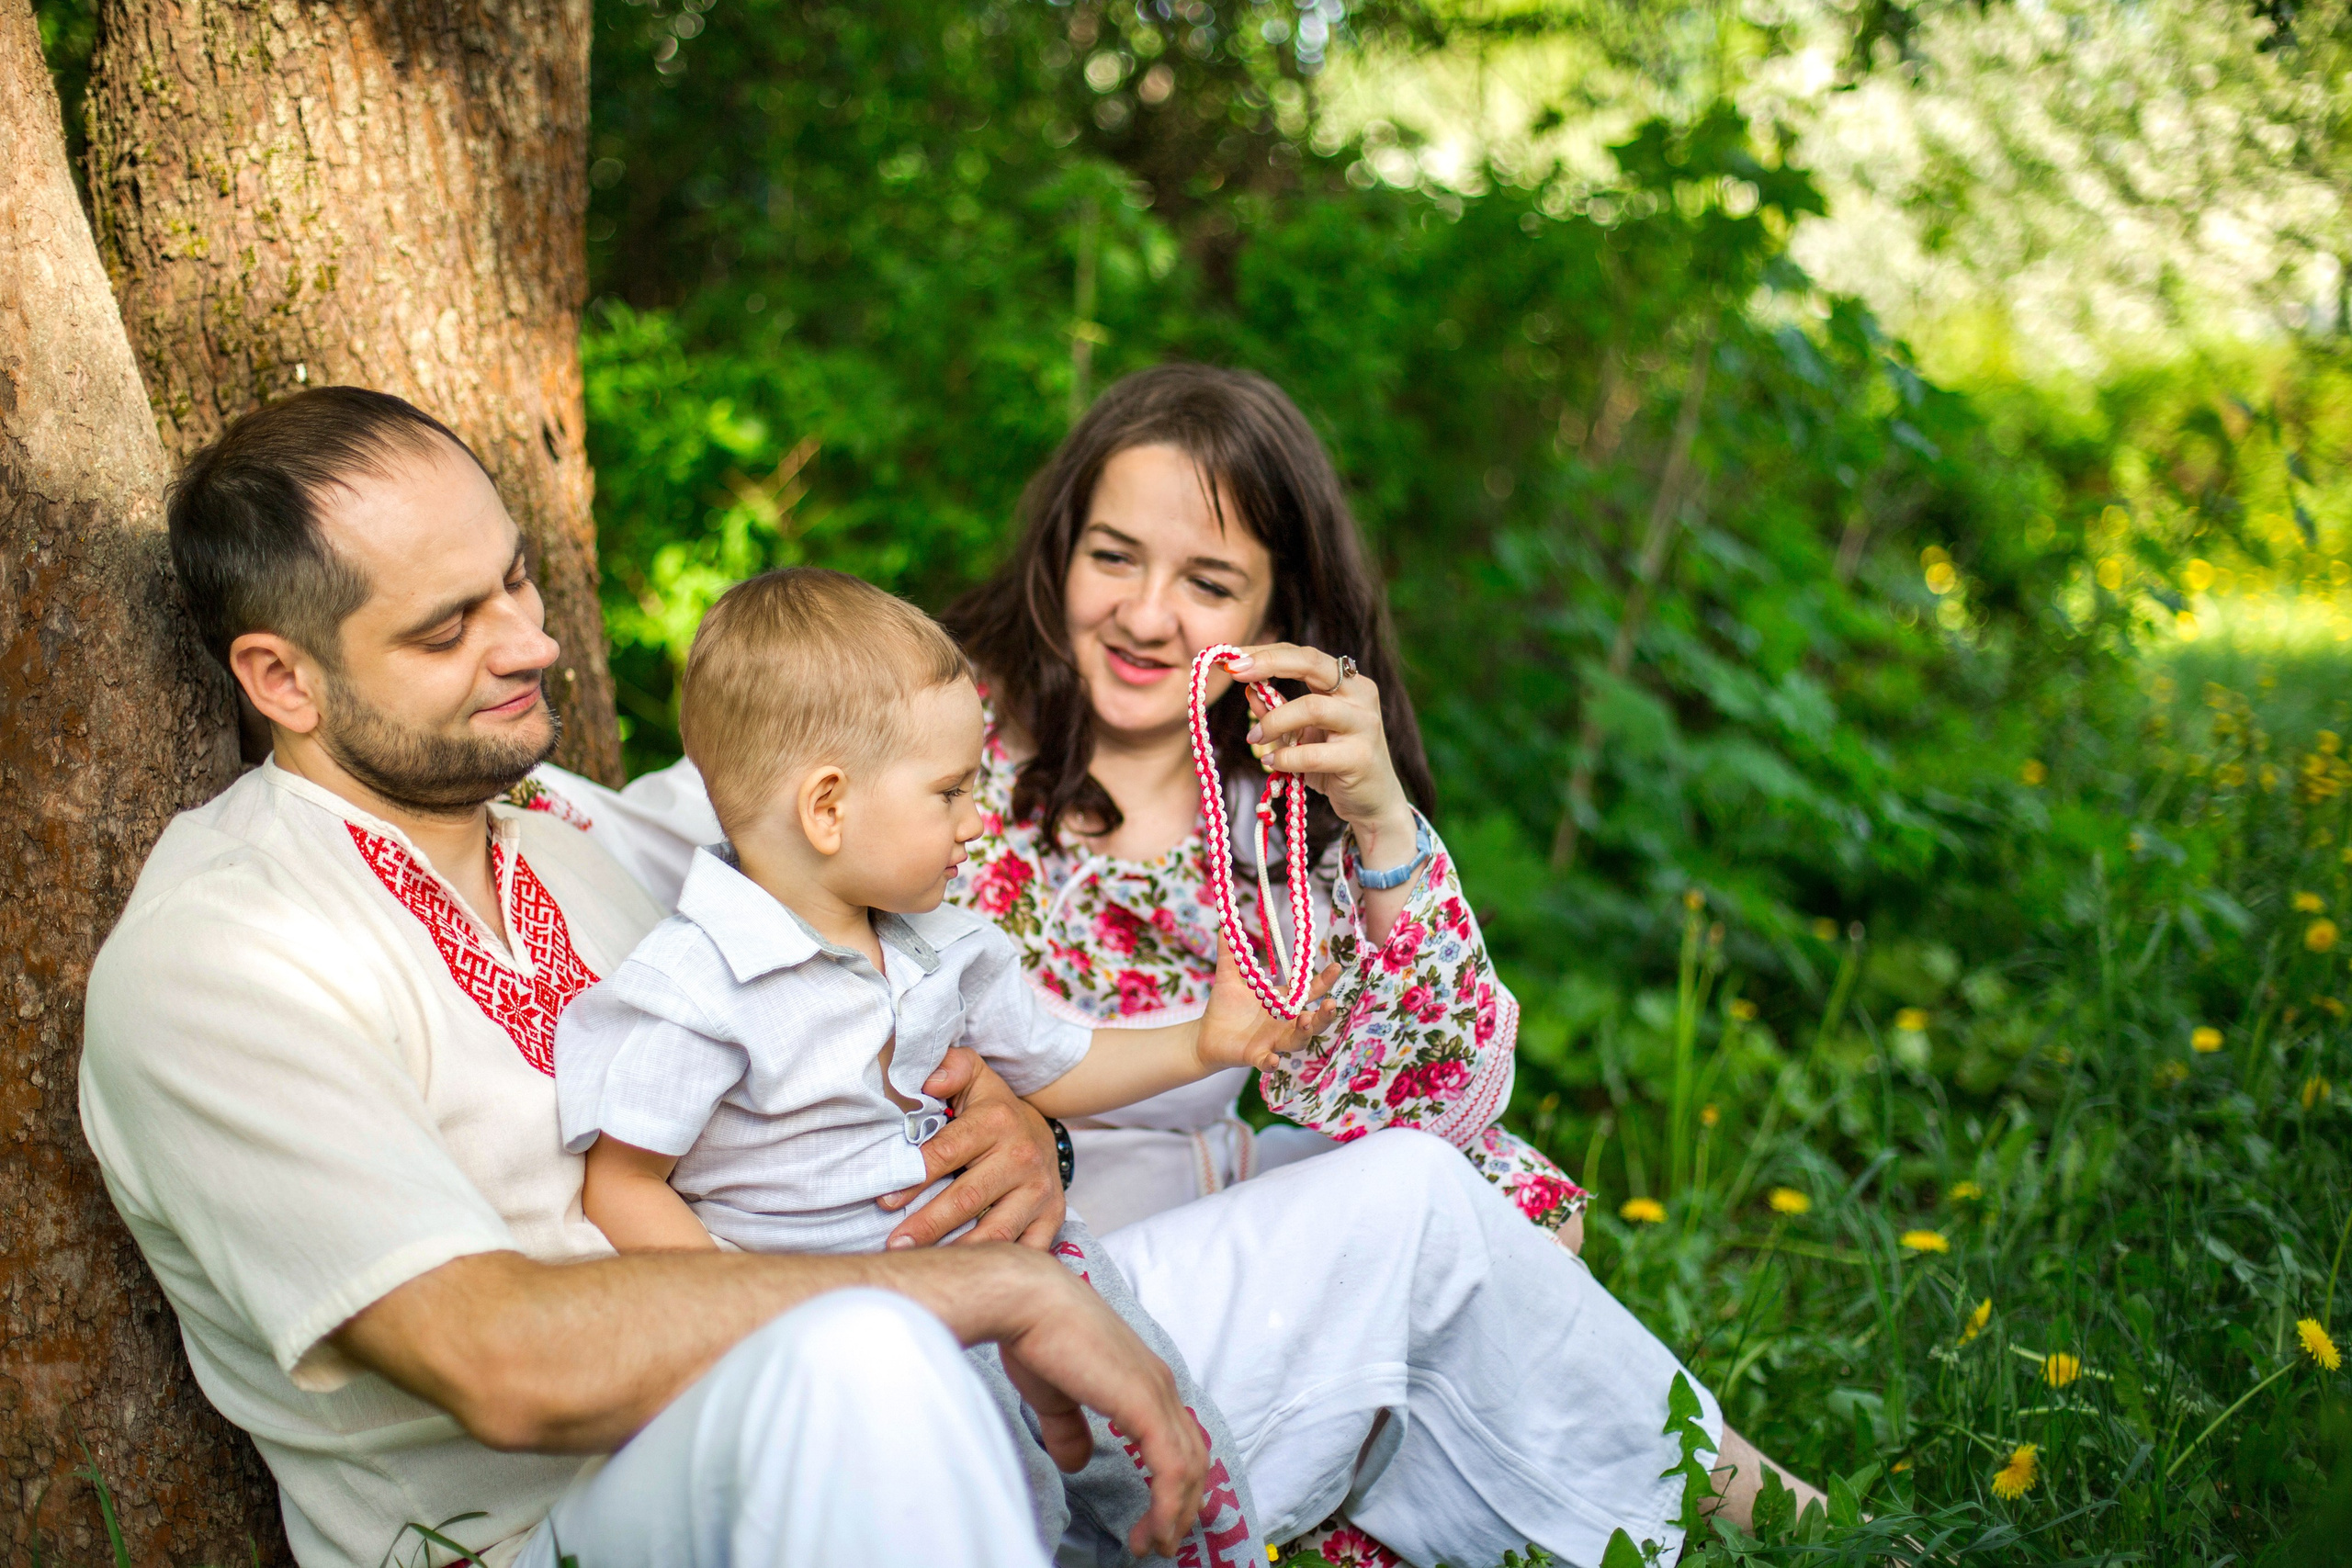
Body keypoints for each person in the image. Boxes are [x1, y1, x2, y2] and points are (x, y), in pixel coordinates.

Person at [79, 385, 1743, 1568]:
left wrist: (1026, 1118)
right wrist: (987, 1293)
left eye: (517, 579)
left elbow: (853, 867)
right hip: (562, 1521)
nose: (534, 644)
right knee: (856, 1367)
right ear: (279, 675)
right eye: (451, 629)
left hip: (928, 1383)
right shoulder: (224, 956)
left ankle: (1794, 1530)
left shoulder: (587, 820)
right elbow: (497, 1361)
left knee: (1405, 1205)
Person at [554, 365, 1827, 1561]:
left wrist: (1380, 819)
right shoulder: (930, 730)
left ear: (1281, 604)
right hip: (993, 1275)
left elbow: (1437, 1110)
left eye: (1210, 581)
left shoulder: (1284, 804)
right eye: (1114, 555)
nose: (1148, 613)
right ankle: (1740, 1508)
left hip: (1184, 1260)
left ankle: (1727, 1502)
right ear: (1060, 550)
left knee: (1442, 1184)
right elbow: (710, 809)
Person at [558, 568, 1333, 1556]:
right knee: (1003, 1501)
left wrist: (1203, 1044)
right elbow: (624, 1186)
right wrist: (750, 1316)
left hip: (1025, 1271)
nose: (977, 821)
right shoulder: (700, 987)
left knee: (1160, 1435)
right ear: (828, 808)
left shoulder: (942, 941)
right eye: (949, 792)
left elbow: (1054, 1066)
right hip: (868, 1319)